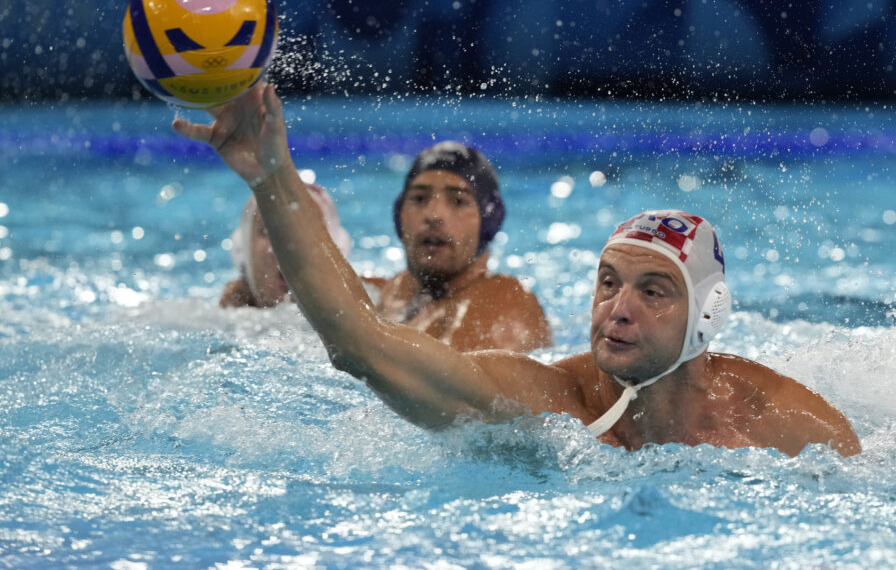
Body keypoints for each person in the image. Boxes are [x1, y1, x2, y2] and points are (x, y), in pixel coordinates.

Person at [173, 83, 860, 457]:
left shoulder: (789, 423)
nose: (617, 309)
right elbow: (362, 346)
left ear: (707, 316)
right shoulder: (550, 402)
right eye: (608, 282)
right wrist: (271, 176)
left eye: (653, 291)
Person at [219, 141, 551, 353]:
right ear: (398, 214)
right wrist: (251, 296)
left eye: (458, 201)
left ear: (490, 220)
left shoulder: (505, 302)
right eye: (419, 198)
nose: (434, 215)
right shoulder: (390, 292)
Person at [220, 182, 353, 308]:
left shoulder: (364, 306)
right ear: (244, 252)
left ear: (337, 253)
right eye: (270, 230)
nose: (289, 245)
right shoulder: (221, 317)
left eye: (310, 231)